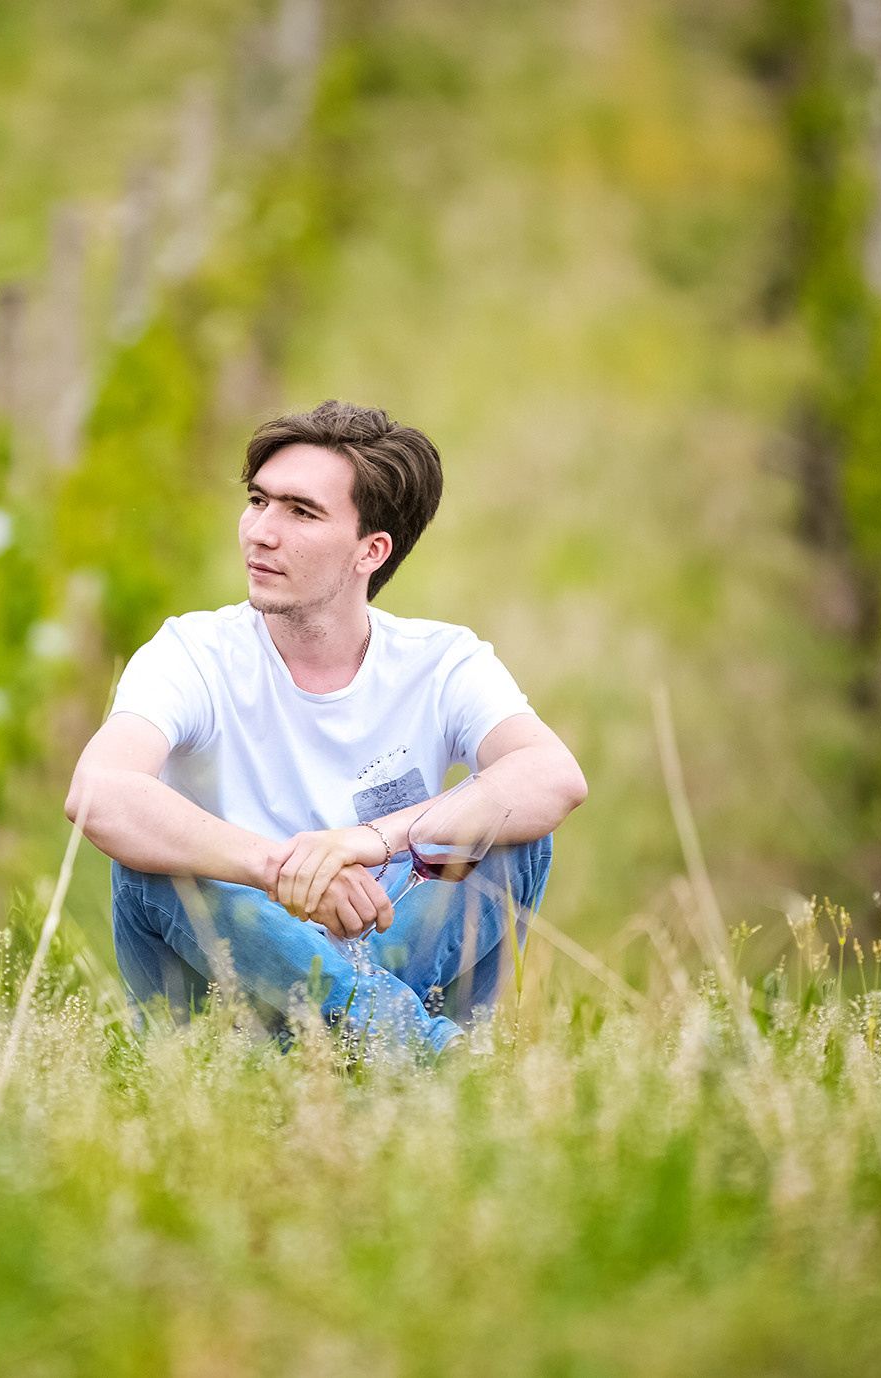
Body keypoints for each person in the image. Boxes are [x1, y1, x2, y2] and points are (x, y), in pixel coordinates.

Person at [65, 400, 587, 1056]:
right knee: (152, 865)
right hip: (226, 992)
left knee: (513, 834)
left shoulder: (441, 660)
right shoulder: (191, 652)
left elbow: (552, 777)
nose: (260, 531)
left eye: (300, 512)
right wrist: (284, 871)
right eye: (258, 501)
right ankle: (431, 1060)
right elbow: (99, 792)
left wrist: (362, 842)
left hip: (386, 937)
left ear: (371, 550)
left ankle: (364, 1041)